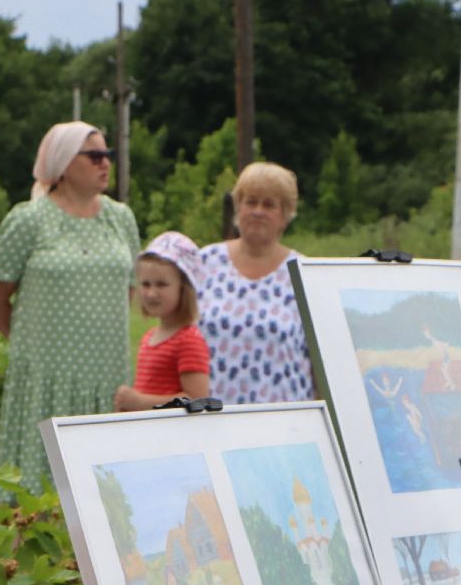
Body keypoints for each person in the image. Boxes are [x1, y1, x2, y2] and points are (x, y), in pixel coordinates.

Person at [0, 121, 141, 487]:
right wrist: (31, 347)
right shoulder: (29, 220)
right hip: (45, 381)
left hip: (106, 378)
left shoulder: (121, 219)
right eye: (95, 156)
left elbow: (126, 291)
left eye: (109, 155)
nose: (105, 164)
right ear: (65, 163)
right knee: (39, 496)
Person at [197, 162, 313, 404]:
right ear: (238, 208)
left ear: (285, 215)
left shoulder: (305, 273)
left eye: (269, 204)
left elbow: (321, 361)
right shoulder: (205, 261)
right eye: (251, 202)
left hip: (284, 422)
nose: (258, 211)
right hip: (210, 418)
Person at [114, 231, 211, 412]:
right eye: (146, 284)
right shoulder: (149, 337)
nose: (151, 293)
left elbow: (197, 400)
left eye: (161, 284)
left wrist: (139, 402)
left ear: (184, 288)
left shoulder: (188, 340)